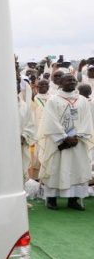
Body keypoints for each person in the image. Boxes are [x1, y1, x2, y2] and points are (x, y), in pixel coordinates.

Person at [36, 74, 93, 210]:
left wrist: (77, 136)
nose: (72, 82)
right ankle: (52, 199)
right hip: (58, 142)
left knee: (76, 168)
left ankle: (73, 200)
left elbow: (87, 120)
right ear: (60, 82)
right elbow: (50, 120)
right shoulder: (53, 100)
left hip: (77, 141)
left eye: (73, 80)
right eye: (68, 80)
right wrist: (64, 137)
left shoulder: (82, 100)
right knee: (55, 167)